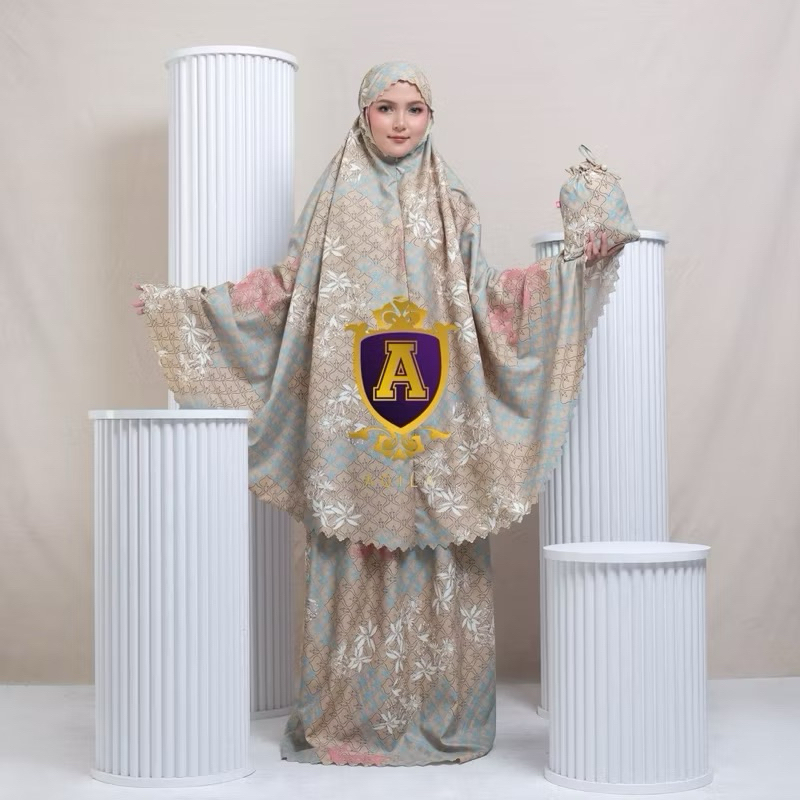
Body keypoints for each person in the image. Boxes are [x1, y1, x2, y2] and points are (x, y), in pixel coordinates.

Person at [132, 61, 621, 766]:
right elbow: (289, 291)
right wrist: (191, 308)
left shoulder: (452, 197)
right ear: (363, 112)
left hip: (437, 411)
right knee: (351, 550)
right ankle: (347, 720)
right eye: (386, 107)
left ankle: (446, 714)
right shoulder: (334, 195)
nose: (399, 121)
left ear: (430, 117)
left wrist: (573, 268)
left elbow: (487, 299)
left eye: (414, 108)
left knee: (440, 547)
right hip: (350, 416)